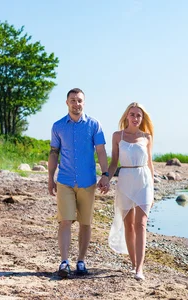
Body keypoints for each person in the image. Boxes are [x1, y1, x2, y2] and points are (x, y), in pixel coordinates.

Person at [47, 88, 110, 278]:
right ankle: (64, 262)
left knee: (85, 222)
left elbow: (100, 151)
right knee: (65, 221)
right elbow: (53, 153)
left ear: (84, 102)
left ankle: (81, 261)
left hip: (87, 181)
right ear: (67, 103)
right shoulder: (58, 126)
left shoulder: (94, 125)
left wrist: (106, 174)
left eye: (79, 100)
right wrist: (50, 177)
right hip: (65, 180)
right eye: (73, 100)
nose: (76, 104)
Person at [104, 102, 154, 281]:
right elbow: (113, 163)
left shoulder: (146, 137)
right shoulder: (118, 136)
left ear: (142, 118)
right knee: (129, 225)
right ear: (127, 116)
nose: (135, 118)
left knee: (141, 224)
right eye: (132, 114)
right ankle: (133, 263)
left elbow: (150, 164)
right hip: (125, 179)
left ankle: (139, 268)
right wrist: (105, 178)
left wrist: (153, 188)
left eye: (138, 115)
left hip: (143, 180)